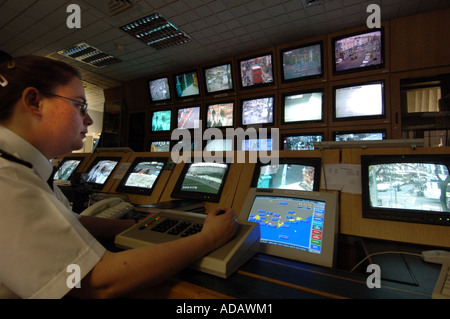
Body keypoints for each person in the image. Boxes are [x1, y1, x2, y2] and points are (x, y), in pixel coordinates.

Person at [0, 55, 238, 299]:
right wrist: (209, 238)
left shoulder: (21, 166)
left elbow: (72, 221)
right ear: (34, 101)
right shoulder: (8, 179)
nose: (90, 119)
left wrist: (137, 226)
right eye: (80, 105)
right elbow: (99, 283)